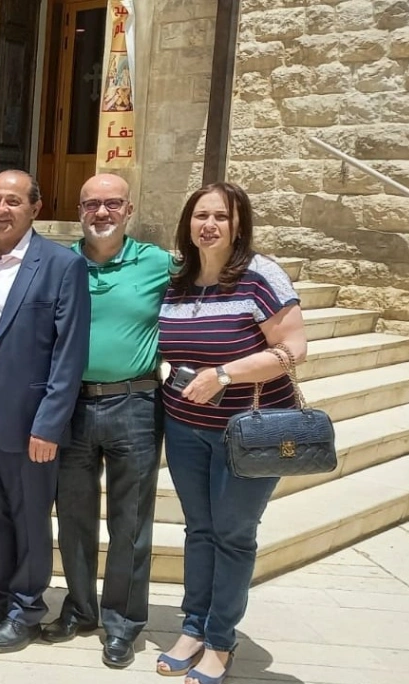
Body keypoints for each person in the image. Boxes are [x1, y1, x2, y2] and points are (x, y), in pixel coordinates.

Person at [156, 183, 307, 684]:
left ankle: (222, 639)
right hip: (185, 427)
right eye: (201, 215)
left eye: (222, 216)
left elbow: (294, 349)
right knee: (198, 530)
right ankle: (193, 626)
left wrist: (225, 374)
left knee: (233, 535)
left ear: (239, 224)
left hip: (248, 434)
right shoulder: (179, 279)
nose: (210, 225)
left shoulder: (261, 276)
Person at [0, 170, 90, 654]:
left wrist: (50, 423)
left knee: (28, 517)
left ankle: (27, 608)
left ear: (35, 208)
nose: (1, 209)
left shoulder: (60, 265)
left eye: (13, 201)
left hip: (29, 420)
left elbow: (69, 356)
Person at [42, 175, 171, 669]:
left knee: (130, 521)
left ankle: (122, 621)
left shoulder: (157, 263)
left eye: (111, 203)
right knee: (72, 516)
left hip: (135, 405)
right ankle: (79, 608)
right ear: (79, 210)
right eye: (91, 204)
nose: (101, 212)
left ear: (129, 209)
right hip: (71, 406)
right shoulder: (61, 263)